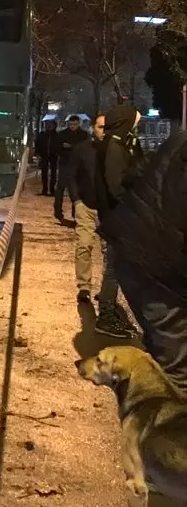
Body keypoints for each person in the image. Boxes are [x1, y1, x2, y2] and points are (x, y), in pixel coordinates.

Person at [100, 131, 187, 391]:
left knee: (163, 350)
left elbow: (134, 174)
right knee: (178, 371)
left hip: (132, 247)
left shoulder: (178, 140)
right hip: (157, 268)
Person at [66, 113, 135, 338]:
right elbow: (72, 176)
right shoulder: (82, 149)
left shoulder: (113, 151)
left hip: (107, 210)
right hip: (86, 206)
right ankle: (84, 287)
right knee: (84, 245)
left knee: (109, 255)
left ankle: (105, 294)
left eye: (106, 127)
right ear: (92, 127)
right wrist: (75, 200)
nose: (102, 131)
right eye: (99, 127)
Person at [54, 114, 89, 221]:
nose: (73, 126)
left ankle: (75, 213)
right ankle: (58, 211)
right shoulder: (63, 134)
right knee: (61, 188)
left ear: (79, 124)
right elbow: (57, 148)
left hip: (78, 165)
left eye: (75, 124)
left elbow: (86, 149)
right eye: (71, 124)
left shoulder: (84, 135)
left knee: (76, 190)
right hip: (65, 164)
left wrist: (71, 147)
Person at [35, 118, 59, 196]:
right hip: (44, 156)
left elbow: (60, 145)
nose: (49, 126)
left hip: (54, 156)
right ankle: (44, 189)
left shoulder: (57, 135)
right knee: (44, 173)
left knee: (53, 173)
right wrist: (37, 153)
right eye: (48, 125)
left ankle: (52, 190)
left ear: (54, 126)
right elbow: (37, 144)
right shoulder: (42, 134)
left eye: (51, 125)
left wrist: (58, 153)